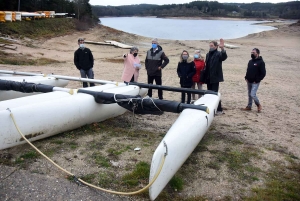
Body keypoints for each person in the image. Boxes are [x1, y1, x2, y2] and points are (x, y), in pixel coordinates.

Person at [205, 39, 227, 114]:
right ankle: (212, 107)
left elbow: (224, 57)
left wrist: (222, 48)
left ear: (216, 46)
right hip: (208, 77)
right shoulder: (208, 54)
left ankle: (219, 109)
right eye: (210, 46)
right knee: (209, 93)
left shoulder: (218, 54)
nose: (210, 47)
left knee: (215, 93)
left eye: (212, 46)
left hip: (215, 77)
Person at [241, 48, 266, 113]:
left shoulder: (261, 62)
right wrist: (246, 77)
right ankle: (249, 106)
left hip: (255, 82)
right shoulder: (250, 61)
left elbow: (263, 73)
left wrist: (257, 80)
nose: (252, 53)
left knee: (252, 94)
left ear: (257, 53)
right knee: (249, 94)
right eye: (251, 52)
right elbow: (248, 70)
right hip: (249, 80)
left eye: (253, 52)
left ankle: (258, 105)